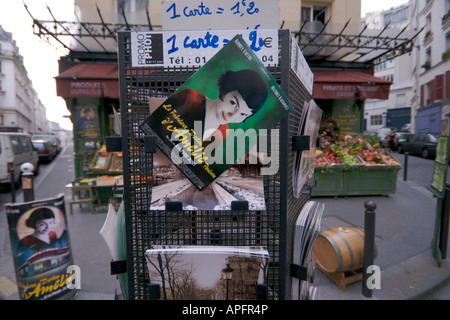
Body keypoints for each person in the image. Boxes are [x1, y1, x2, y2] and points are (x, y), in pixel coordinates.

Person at [150, 69, 268, 144]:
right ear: (226, 90)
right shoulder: (190, 98)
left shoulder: (224, 132)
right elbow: (152, 126)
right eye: (233, 103)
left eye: (243, 114)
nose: (232, 116)